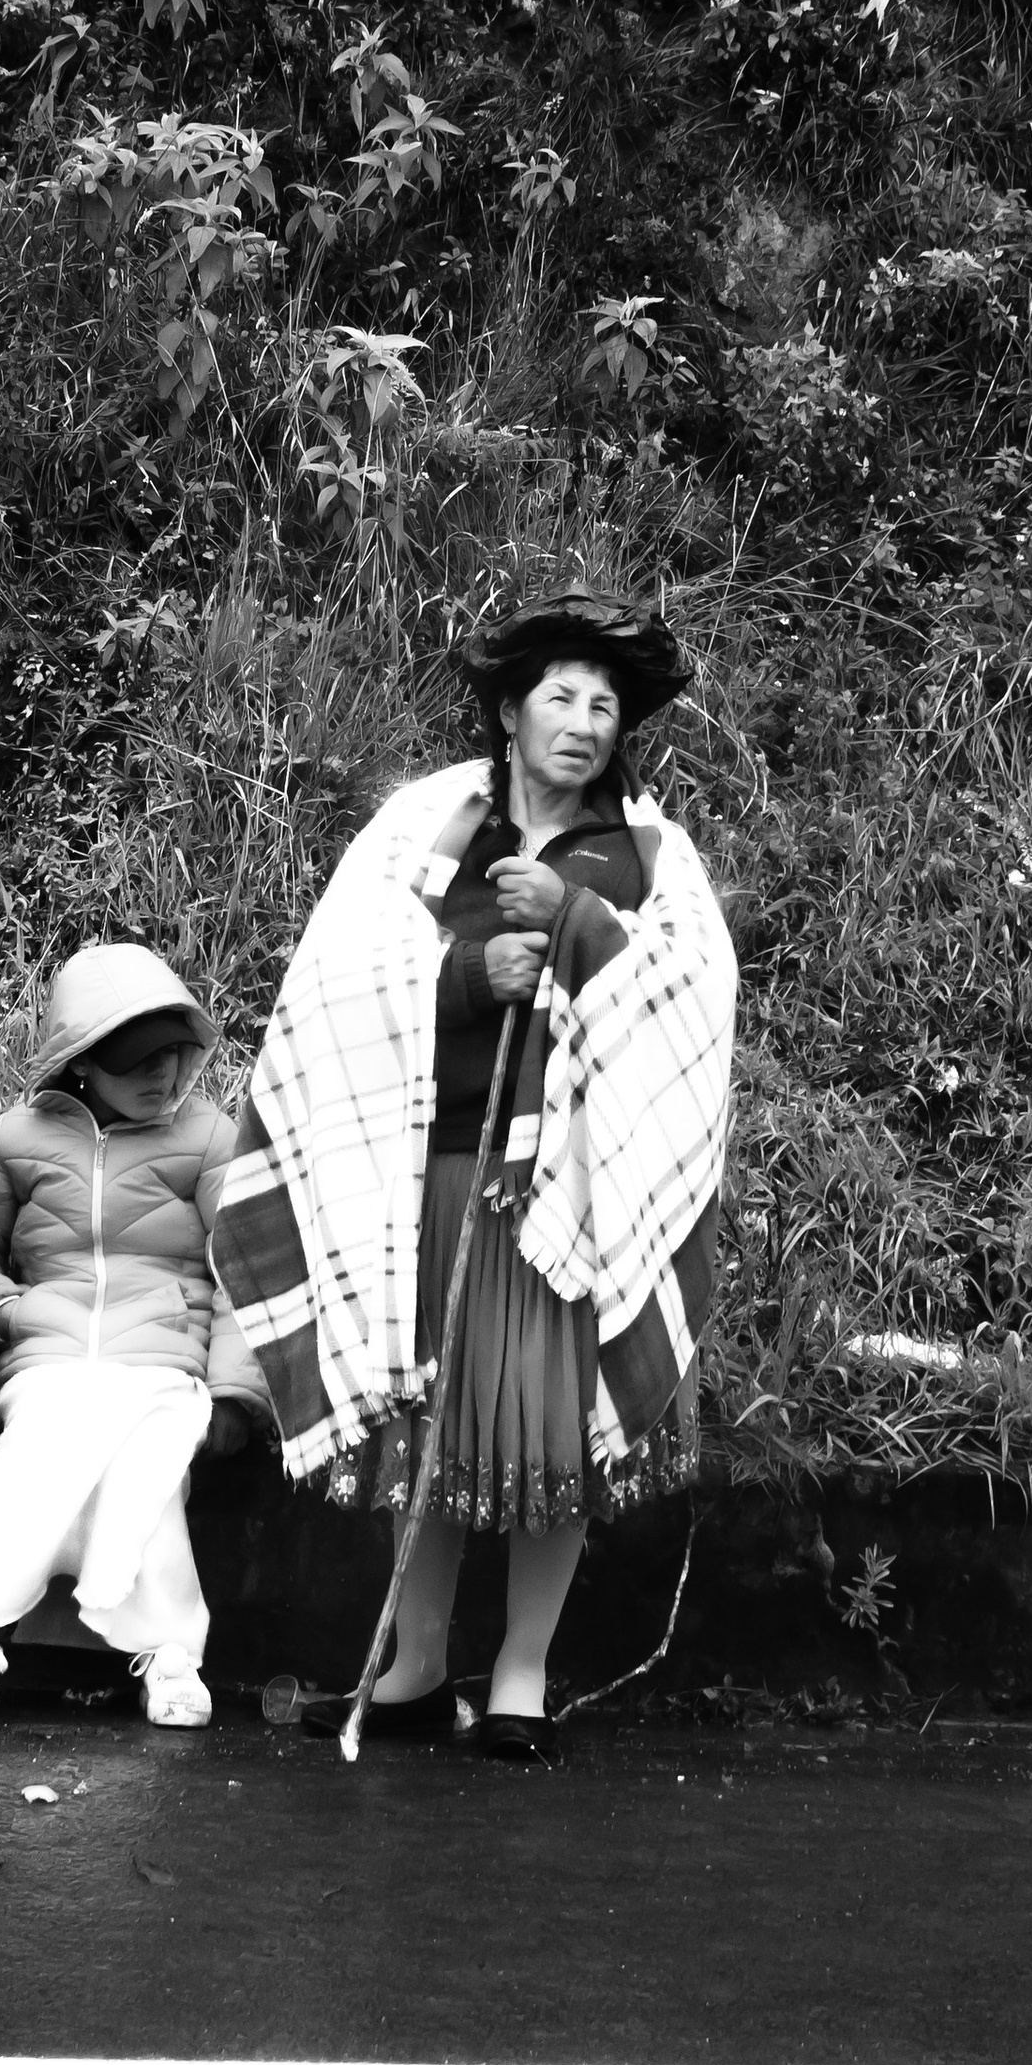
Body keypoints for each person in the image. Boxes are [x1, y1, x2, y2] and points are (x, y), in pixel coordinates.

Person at [213, 590, 736, 1762]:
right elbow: (337, 983)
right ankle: (411, 1666)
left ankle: (520, 1678)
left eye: (604, 703)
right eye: (559, 692)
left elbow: (694, 1003)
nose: (583, 719)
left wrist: (581, 923)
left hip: (568, 1200)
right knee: (437, 1435)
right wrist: (465, 973)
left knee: (546, 1437)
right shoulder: (425, 826)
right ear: (508, 710)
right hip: (432, 1175)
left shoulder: (651, 856)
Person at [0, 943, 267, 1731]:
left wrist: (235, 1390)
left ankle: (168, 1651)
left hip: (163, 1354)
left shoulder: (213, 1138)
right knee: (34, 1446)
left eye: (176, 1055)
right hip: (51, 1354)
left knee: (148, 1461)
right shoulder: (14, 1139)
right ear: (80, 1063)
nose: (164, 1077)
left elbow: (245, 1270)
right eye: (137, 1062)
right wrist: (5, 1312)